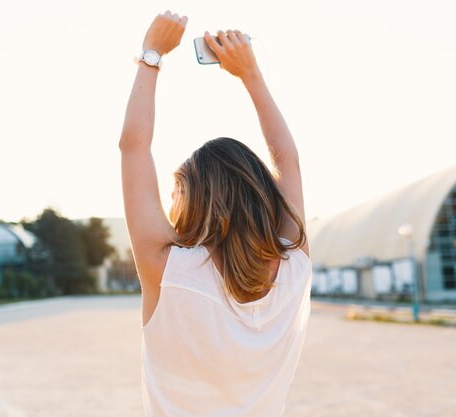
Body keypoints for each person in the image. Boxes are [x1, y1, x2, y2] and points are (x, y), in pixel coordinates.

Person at [119, 10, 312, 417]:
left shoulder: (169, 270)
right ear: (261, 193)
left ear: (192, 200)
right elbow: (287, 158)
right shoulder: (295, 266)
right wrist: (250, 74)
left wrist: (151, 54)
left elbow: (134, 147)